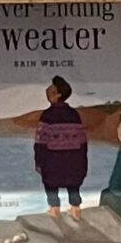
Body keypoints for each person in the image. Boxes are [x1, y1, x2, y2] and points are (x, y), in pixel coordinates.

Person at [34, 74, 91, 214]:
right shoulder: (74, 114)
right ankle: (75, 208)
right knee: (73, 185)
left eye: (51, 90)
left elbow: (41, 141)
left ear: (58, 94)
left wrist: (38, 161)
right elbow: (82, 141)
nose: (47, 91)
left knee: (51, 184)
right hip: (73, 160)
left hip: (52, 161)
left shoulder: (47, 115)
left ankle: (54, 209)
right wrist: (83, 162)